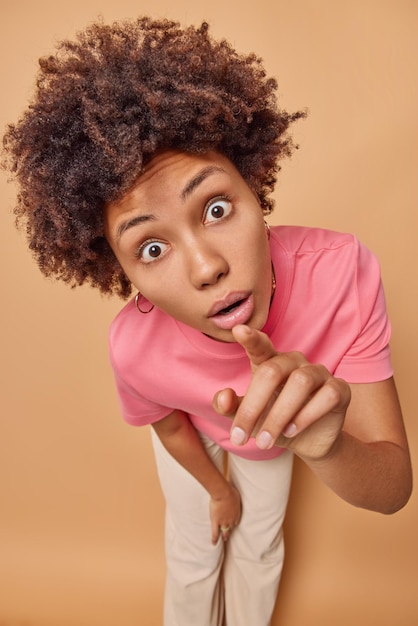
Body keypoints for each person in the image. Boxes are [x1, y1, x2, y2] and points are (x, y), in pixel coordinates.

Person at [1, 17, 412, 626]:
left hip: (268, 438)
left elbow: (393, 486)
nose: (206, 268)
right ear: (118, 269)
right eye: (151, 248)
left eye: (216, 208)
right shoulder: (137, 346)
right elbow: (170, 430)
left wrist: (326, 448)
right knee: (195, 550)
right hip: (190, 437)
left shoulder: (342, 275)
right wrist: (216, 491)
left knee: (260, 546)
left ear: (254, 183)